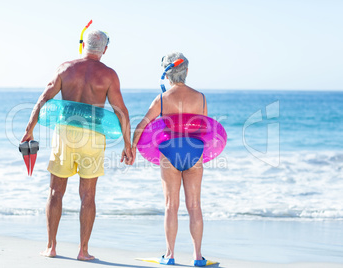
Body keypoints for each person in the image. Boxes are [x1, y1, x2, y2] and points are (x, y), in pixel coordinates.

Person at [21, 30, 133, 260]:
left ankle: (51, 247)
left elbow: (43, 99)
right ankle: (83, 251)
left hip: (65, 132)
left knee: (55, 191)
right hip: (93, 135)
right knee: (88, 195)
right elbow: (121, 110)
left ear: (83, 44)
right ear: (105, 49)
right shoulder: (109, 75)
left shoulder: (65, 68)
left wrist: (28, 130)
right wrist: (128, 144)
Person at [131, 52, 216, 266]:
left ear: (166, 74)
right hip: (194, 151)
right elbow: (204, 128)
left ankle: (169, 255)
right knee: (195, 205)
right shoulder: (201, 97)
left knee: (171, 205)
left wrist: (131, 148)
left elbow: (142, 126)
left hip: (170, 151)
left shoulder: (162, 99)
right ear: (186, 71)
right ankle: (197, 257)